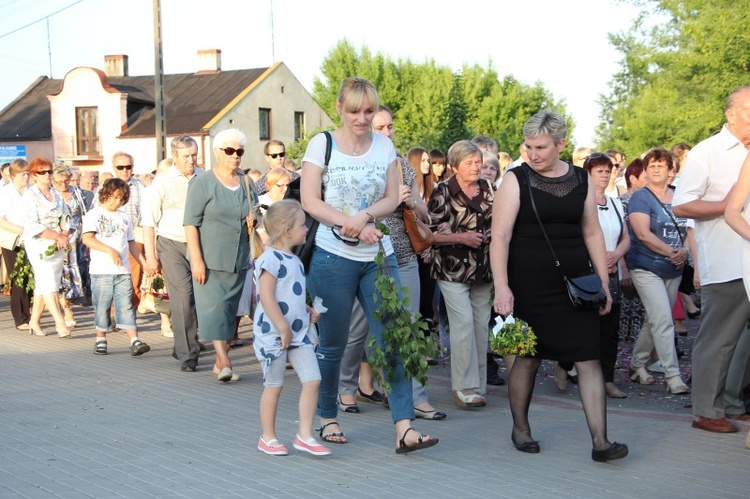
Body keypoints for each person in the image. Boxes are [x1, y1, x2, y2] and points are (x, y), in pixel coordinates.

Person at [300, 76, 438, 453]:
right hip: (332, 257)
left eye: (369, 110)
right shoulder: (321, 145)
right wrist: (349, 224)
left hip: (380, 256)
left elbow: (394, 198)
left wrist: (363, 217)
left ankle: (404, 428)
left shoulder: (385, 146)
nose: (362, 118)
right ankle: (328, 417)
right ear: (340, 109)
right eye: (355, 110)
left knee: (392, 340)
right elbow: (311, 200)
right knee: (332, 344)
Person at [490, 110, 627, 461]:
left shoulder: (581, 179)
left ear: (560, 144)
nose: (532, 154)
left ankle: (601, 442)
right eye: (528, 146)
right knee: (527, 359)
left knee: (588, 357)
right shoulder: (515, 179)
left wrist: (603, 283)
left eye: (540, 147)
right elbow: (500, 236)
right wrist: (503, 287)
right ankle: (520, 429)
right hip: (528, 283)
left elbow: (592, 231)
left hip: (576, 284)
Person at [337, 105, 445, 421]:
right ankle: (345, 387)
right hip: (368, 254)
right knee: (360, 327)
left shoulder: (401, 166)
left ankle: (417, 397)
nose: (387, 132)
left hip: (404, 254)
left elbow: (426, 214)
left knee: (409, 326)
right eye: (381, 127)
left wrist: (411, 201)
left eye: (390, 127)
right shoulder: (356, 165)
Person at [673, 86, 750, 432]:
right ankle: (706, 410)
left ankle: (732, 402)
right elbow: (682, 205)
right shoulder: (708, 151)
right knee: (719, 338)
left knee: (742, 341)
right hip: (727, 257)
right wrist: (728, 206)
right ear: (730, 114)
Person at [253, 200, 330, 456]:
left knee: (313, 379)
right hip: (276, 335)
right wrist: (283, 327)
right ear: (287, 231)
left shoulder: (295, 261)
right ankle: (268, 437)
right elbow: (267, 296)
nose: (306, 229)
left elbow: (291, 296)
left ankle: (305, 435)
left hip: (298, 334)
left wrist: (308, 312)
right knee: (274, 385)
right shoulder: (270, 259)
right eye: (301, 225)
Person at [184, 128, 256, 382]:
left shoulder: (247, 182)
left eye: (239, 151)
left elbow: (255, 213)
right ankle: (224, 360)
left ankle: (218, 362)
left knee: (227, 312)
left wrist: (253, 219)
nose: (235, 156)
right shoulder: (202, 183)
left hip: (238, 259)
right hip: (210, 259)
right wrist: (197, 261)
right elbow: (190, 223)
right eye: (229, 150)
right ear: (218, 152)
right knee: (214, 309)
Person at [556, 153, 630, 398]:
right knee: (583, 327)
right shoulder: (578, 202)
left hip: (611, 270)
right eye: (599, 171)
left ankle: (606, 379)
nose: (605, 175)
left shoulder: (616, 203)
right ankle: (566, 364)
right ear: (587, 174)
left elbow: (626, 237)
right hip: (587, 272)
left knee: (609, 330)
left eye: (608, 171)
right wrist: (597, 258)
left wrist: (615, 255)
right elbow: (580, 236)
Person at [428, 140, 493, 408]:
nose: (476, 167)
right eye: (469, 163)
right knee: (463, 323)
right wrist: (462, 237)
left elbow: (498, 218)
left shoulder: (488, 188)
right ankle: (462, 387)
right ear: (454, 166)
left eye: (479, 162)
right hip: (452, 267)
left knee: (480, 324)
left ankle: (477, 385)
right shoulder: (443, 192)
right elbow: (429, 234)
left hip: (483, 267)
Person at [620, 149, 690, 395]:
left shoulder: (681, 196)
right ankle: (673, 376)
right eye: (652, 165)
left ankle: (637, 364)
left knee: (654, 320)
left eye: (662, 165)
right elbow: (642, 234)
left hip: (675, 268)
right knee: (663, 320)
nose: (656, 169)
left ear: (672, 170)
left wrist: (684, 250)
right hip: (646, 266)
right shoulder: (641, 197)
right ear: (646, 171)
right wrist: (672, 252)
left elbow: (691, 229)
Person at [142, 135, 204, 373]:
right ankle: (189, 354)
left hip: (199, 243)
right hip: (171, 244)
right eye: (186, 156)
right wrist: (150, 257)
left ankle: (182, 343)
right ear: (174, 156)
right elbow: (148, 222)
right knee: (183, 296)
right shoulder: (162, 182)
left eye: (195, 155)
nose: (192, 160)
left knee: (199, 296)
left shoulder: (204, 177)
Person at [81, 178, 150, 356]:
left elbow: (131, 243)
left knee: (126, 304)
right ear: (106, 194)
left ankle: (134, 340)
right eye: (115, 197)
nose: (117, 202)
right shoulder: (94, 215)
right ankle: (101, 339)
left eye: (121, 199)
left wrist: (144, 262)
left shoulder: (124, 217)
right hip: (102, 270)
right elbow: (87, 238)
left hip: (122, 270)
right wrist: (109, 250)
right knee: (102, 305)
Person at [22, 157, 72, 338]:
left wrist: (64, 235)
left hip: (57, 242)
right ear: (34, 176)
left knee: (46, 283)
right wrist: (56, 235)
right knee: (48, 282)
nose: (47, 175)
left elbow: (67, 216)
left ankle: (34, 321)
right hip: (38, 242)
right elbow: (32, 223)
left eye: (49, 171)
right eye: (42, 172)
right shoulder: (30, 194)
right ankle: (60, 322)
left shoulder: (57, 193)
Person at [617, 159, 648, 344]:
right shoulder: (621, 203)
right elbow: (619, 236)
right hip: (628, 258)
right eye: (645, 176)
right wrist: (623, 267)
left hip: (647, 259)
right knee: (627, 307)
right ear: (633, 179)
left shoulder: (651, 199)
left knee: (645, 310)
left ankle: (643, 353)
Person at [52, 162, 86, 328]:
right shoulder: (50, 195)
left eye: (66, 180)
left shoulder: (77, 194)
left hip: (75, 241)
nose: (63, 184)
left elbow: (83, 214)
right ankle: (65, 310)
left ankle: (68, 304)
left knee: (73, 275)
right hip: (55, 240)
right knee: (59, 275)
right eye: (59, 182)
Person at [0, 159, 32, 330]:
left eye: (28, 173)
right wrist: (22, 229)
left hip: (30, 239)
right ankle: (20, 318)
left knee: (30, 276)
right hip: (12, 240)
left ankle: (30, 313)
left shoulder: (31, 192)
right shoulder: (4, 193)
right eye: (22, 174)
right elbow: (2, 221)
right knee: (18, 277)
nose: (26, 177)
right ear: (13, 175)